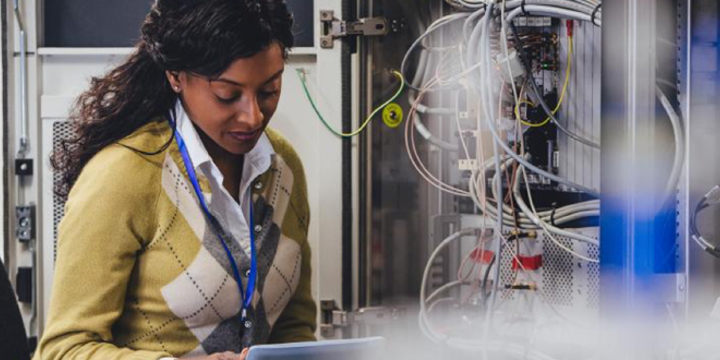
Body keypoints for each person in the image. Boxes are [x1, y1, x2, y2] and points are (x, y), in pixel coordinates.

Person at [34, 1, 316, 359]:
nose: (253, 116)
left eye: (268, 91)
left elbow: (294, 330)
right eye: (227, 95)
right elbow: (62, 350)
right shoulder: (124, 174)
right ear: (176, 77)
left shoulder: (284, 166)